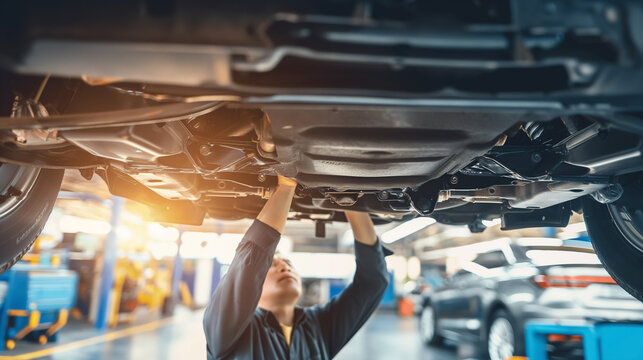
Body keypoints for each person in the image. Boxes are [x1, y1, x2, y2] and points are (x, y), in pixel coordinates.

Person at [203, 176, 391, 359]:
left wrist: (352, 203)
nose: (285, 268)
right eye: (272, 264)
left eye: (288, 264)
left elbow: (372, 282)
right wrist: (285, 186)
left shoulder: (319, 326)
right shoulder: (227, 330)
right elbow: (248, 265)